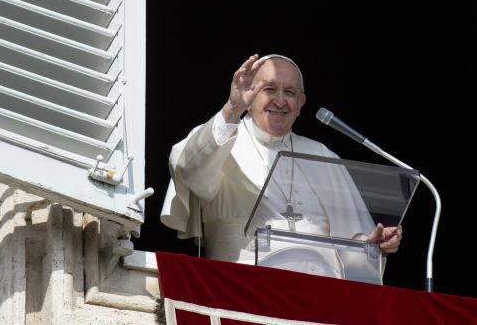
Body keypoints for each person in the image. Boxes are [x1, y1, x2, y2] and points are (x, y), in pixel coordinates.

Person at [160, 53, 402, 282]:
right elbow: (189, 169)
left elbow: (351, 253)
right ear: (250, 94)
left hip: (321, 296)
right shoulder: (221, 137)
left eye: (289, 92)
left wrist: (371, 246)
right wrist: (232, 109)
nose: (280, 100)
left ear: (300, 103)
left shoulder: (321, 155)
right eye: (269, 89)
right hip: (242, 289)